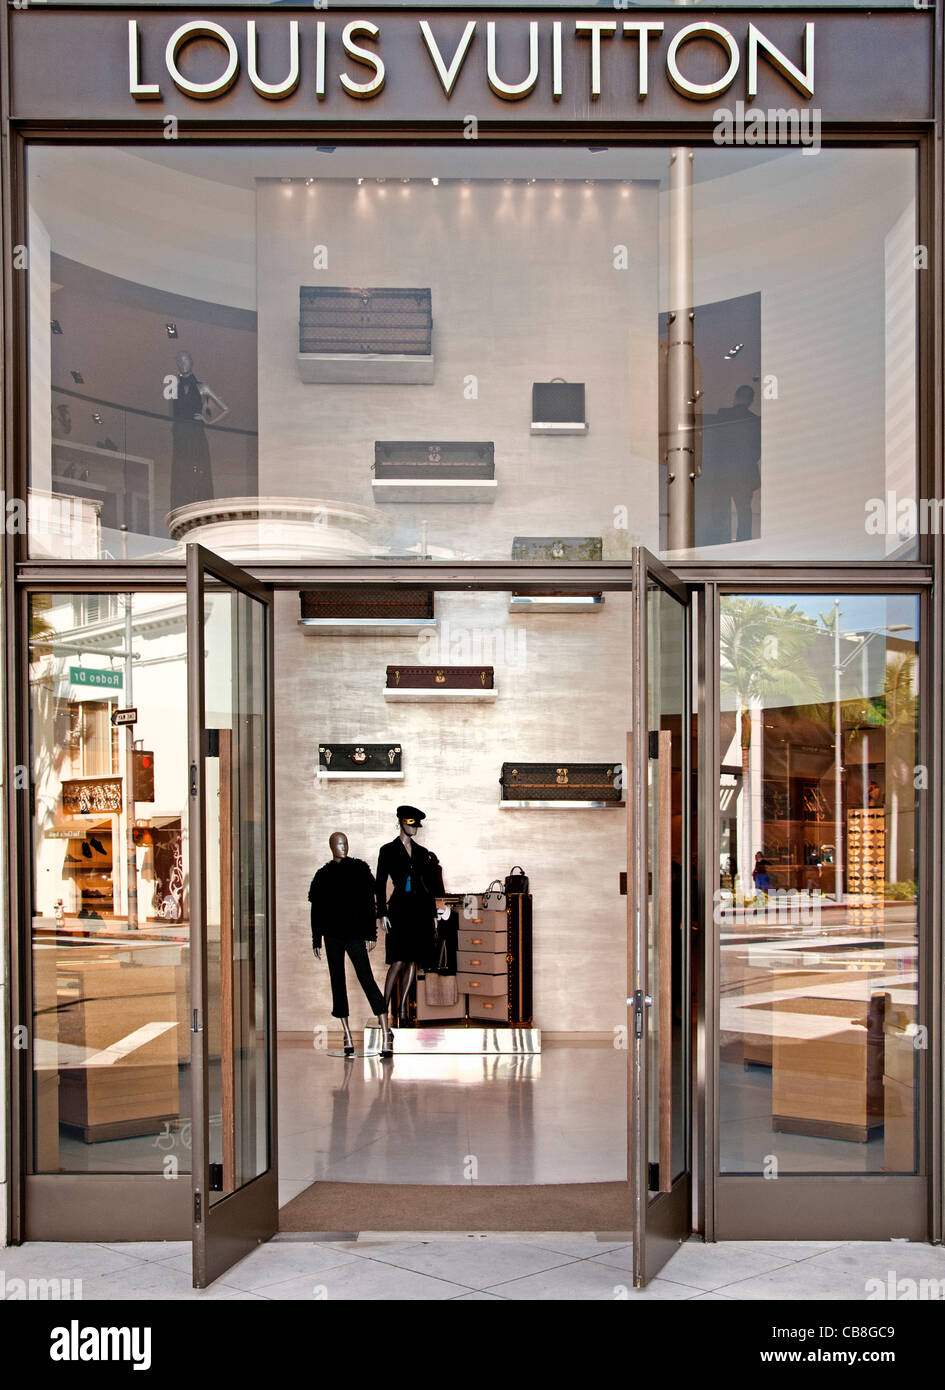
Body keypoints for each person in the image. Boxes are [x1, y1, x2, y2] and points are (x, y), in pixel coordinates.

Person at [308, 830, 393, 1059]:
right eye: (338, 843)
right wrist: (317, 939)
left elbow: (370, 899)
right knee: (337, 980)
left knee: (366, 978)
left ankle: (386, 1031)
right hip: (332, 935)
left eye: (344, 842)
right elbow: (317, 909)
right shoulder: (323, 875)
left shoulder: (359, 869)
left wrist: (371, 933)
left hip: (354, 933)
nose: (342, 846)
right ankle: (346, 1034)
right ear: (331, 846)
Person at [168, 349, 229, 511]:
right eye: (179, 361)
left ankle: (199, 504)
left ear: (191, 361)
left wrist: (208, 421)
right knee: (181, 469)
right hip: (181, 434)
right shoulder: (175, 387)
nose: (182, 363)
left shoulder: (202, 386)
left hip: (195, 432)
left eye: (185, 359)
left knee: (198, 466)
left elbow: (225, 409)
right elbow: (172, 412)